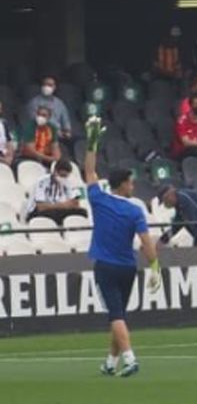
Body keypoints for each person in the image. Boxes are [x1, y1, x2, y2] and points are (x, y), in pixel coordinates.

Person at [82, 120, 161, 377]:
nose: (133, 186)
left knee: (115, 315)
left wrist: (92, 143)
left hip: (106, 267)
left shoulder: (99, 200)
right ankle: (110, 362)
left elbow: (89, 171)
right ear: (122, 185)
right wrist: (154, 267)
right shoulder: (135, 210)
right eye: (130, 183)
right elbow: (146, 242)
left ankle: (130, 359)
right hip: (128, 267)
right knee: (120, 316)